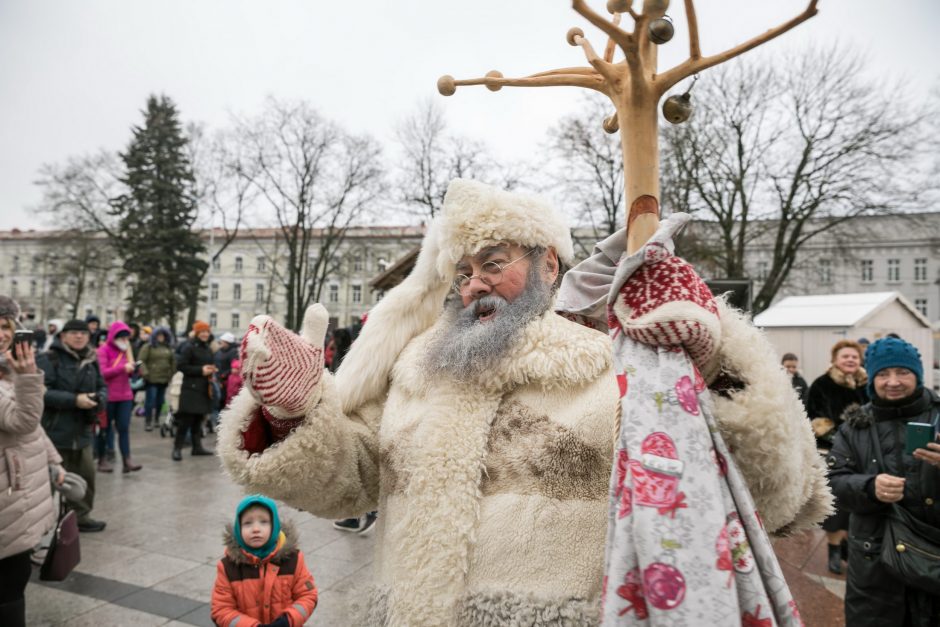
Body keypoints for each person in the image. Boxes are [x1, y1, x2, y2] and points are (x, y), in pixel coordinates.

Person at [218, 179, 828, 624]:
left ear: (548, 264)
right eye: (462, 272)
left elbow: (774, 498)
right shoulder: (418, 370)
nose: (474, 283)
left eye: (493, 262)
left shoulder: (610, 364)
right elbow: (353, 484)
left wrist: (716, 365)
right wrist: (294, 412)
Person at [828, 336, 940, 626]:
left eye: (903, 372)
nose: (893, 381)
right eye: (883, 374)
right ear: (871, 379)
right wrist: (868, 487)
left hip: (934, 559)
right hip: (874, 566)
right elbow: (831, 485)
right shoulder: (854, 427)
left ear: (918, 374)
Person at [0, 296, 65, 627]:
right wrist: (28, 378)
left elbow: (32, 428)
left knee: (16, 576)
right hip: (8, 494)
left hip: (18, 489)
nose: (0, 334)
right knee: (10, 586)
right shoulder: (13, 374)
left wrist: (54, 460)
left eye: (5, 326)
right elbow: (20, 422)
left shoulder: (7, 368)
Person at [37, 318, 108, 532]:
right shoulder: (49, 358)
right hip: (55, 432)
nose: (79, 336)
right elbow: (43, 392)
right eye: (74, 333)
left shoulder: (91, 359)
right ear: (63, 336)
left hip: (83, 431)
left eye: (84, 333)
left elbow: (102, 386)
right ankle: (40, 526)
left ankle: (82, 516)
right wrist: (75, 400)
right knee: (46, 482)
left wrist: (99, 399)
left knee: (86, 476)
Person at [807, 339, 869, 574]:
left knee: (858, 501)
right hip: (834, 452)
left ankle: (846, 545)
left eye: (854, 356)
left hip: (865, 453)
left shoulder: (866, 384)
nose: (850, 360)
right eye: (845, 356)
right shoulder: (822, 384)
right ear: (834, 360)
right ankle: (834, 549)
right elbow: (816, 420)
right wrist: (844, 443)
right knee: (837, 504)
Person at [211, 494, 318, 627]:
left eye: (264, 522)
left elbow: (308, 596)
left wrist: (288, 620)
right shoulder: (228, 567)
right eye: (247, 523)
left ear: (274, 526)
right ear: (238, 529)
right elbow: (221, 609)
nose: (256, 529)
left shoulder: (293, 559)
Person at [96, 321, 141, 473]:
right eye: (121, 337)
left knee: (123, 428)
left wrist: (134, 370)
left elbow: (129, 374)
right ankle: (102, 459)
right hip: (108, 397)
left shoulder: (126, 351)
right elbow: (102, 373)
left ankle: (127, 460)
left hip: (125, 396)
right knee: (104, 429)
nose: (124, 341)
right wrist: (123, 368)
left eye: (126, 338)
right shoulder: (103, 350)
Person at [173, 320, 216, 460]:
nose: (205, 334)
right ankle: (177, 448)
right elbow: (181, 366)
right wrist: (201, 370)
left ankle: (197, 448)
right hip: (190, 389)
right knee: (185, 421)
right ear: (197, 333)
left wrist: (211, 370)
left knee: (198, 420)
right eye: (202, 332)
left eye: (207, 331)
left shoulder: (208, 348)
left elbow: (206, 365)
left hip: (203, 388)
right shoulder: (189, 347)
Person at [139, 326, 175, 432]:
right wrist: (145, 373)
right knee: (150, 401)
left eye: (163, 335)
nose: (161, 337)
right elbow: (141, 361)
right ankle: (148, 421)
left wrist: (172, 373)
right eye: (159, 335)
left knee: (160, 401)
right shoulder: (148, 347)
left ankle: (156, 420)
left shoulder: (168, 348)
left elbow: (173, 362)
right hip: (151, 379)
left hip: (164, 379)